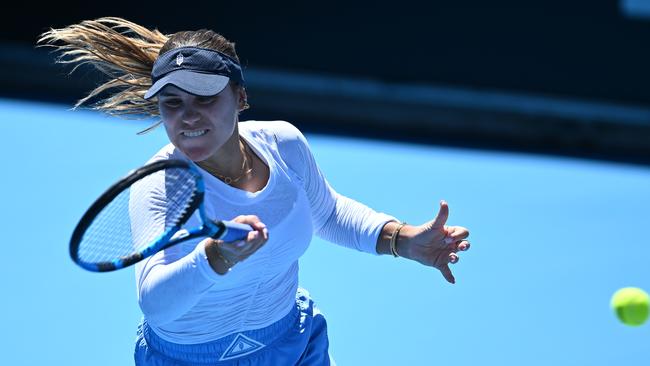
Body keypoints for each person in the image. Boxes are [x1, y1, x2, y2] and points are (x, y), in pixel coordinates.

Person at [39, 17, 471, 366]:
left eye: (204, 98)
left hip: (292, 341)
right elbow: (156, 303)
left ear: (241, 97)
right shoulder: (160, 183)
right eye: (172, 103)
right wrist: (214, 258)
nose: (188, 116)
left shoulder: (283, 143)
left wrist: (401, 240)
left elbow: (328, 212)